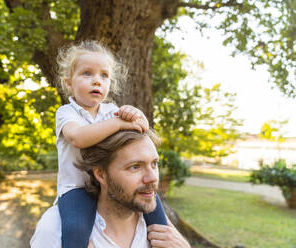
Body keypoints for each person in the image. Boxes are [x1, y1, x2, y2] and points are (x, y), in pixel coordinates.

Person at [53, 40, 168, 248]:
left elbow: (140, 127)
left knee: (158, 216)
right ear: (69, 83)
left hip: (110, 184)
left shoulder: (110, 110)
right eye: (87, 73)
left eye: (104, 75)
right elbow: (78, 137)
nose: (97, 81)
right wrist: (118, 122)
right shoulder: (66, 113)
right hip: (77, 188)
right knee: (76, 229)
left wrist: (136, 114)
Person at [30, 130, 191, 248]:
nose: (152, 177)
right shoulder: (55, 227)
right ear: (101, 174)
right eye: (135, 167)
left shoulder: (163, 229)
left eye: (154, 164)